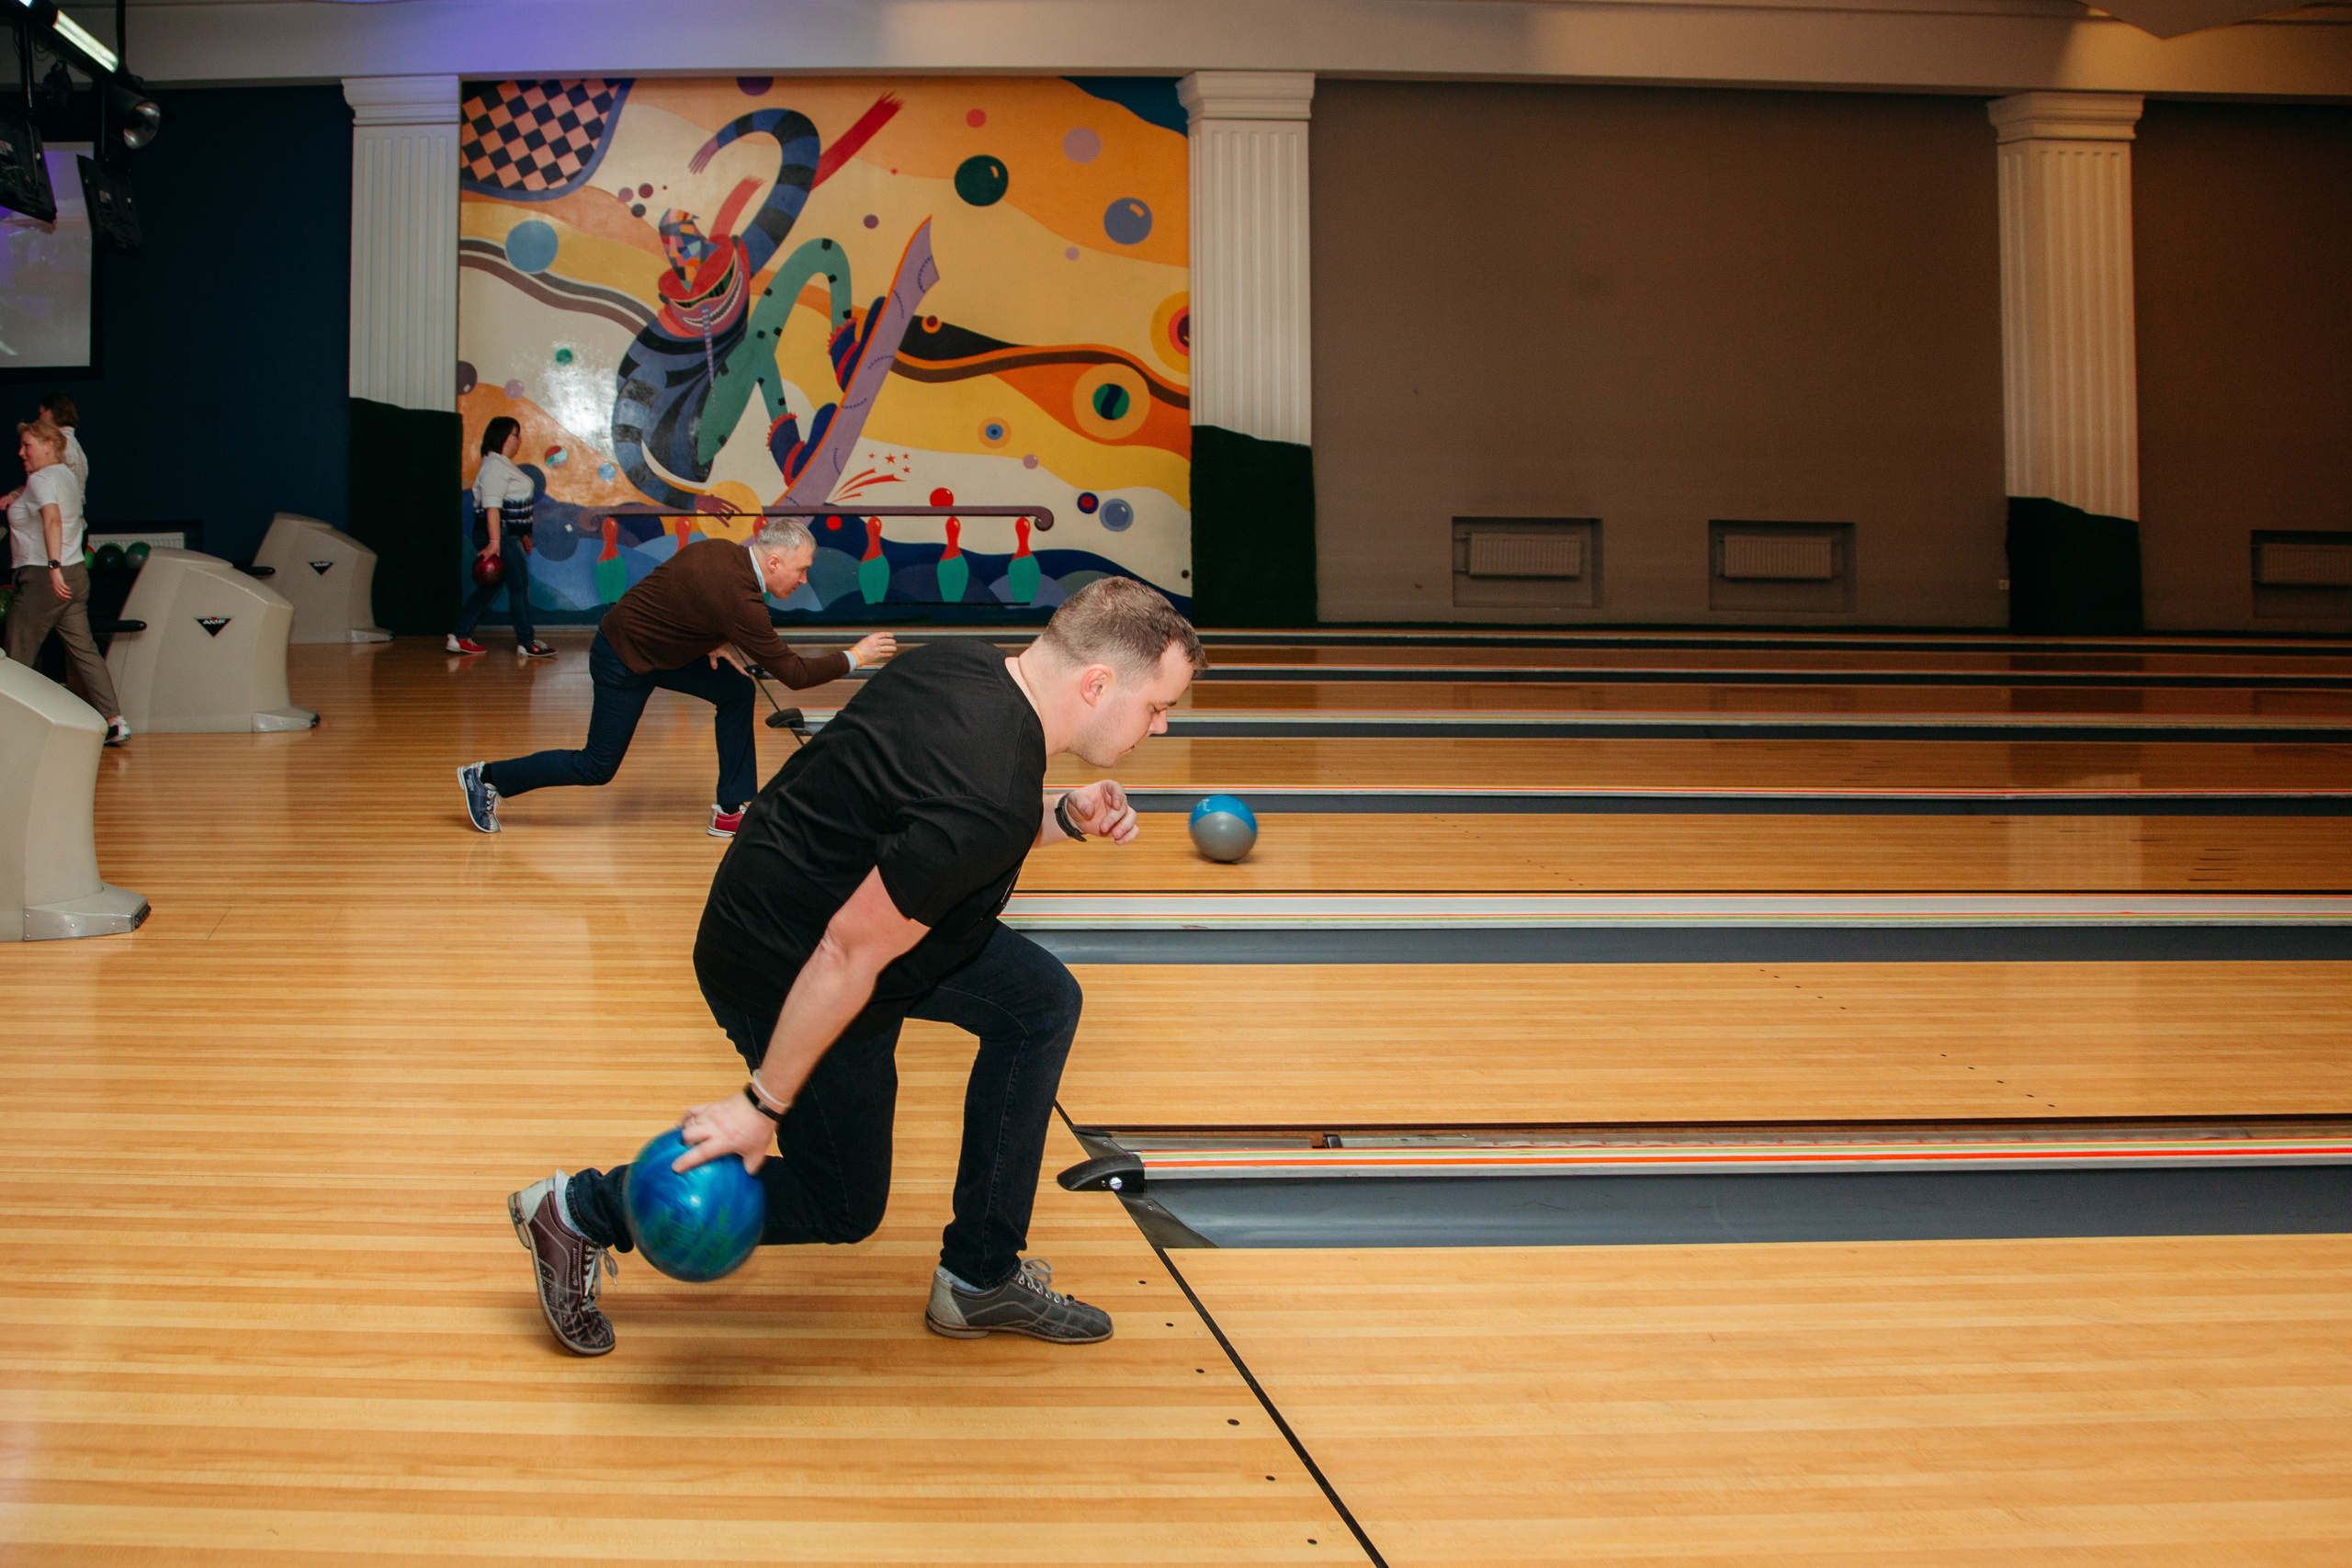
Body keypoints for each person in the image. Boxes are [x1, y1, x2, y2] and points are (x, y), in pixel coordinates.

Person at [506, 577, 1204, 1356]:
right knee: (842, 1203)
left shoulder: (966, 668)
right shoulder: (989, 782)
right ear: (1098, 683)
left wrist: (1064, 815)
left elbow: (931, 833)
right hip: (787, 957)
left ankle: (978, 1277)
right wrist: (761, 1104)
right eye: (1156, 705)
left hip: (818, 906)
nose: (1162, 725)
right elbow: (852, 944)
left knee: (1040, 1002)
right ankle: (580, 1212)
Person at [458, 513, 894, 838]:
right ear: (775, 562)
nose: (803, 579)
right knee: (596, 766)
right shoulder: (740, 597)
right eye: (801, 570)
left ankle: (730, 808)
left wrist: (709, 638)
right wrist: (857, 655)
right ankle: (486, 777)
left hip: (660, 650)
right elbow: (794, 674)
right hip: (622, 657)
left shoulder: (723, 551)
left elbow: (673, 593)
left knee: (737, 690)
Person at [4, 420, 128, 744]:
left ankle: (11, 730)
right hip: (75, 574)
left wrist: (53, 567)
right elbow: (38, 492)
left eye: (27, 445)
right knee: (84, 650)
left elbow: (52, 519)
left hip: (46, 577)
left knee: (17, 654)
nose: (21, 452)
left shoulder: (42, 480)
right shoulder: (65, 475)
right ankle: (115, 721)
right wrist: (14, 494)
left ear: (48, 446)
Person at [447, 417, 553, 659]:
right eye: (515, 433)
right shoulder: (495, 465)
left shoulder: (499, 464)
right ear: (501, 435)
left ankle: (460, 636)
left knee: (489, 589)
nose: (519, 439)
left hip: (505, 534)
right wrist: (496, 542)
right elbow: (492, 507)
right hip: (499, 535)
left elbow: (507, 505)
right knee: (519, 587)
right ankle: (527, 642)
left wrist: (521, 535)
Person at [38, 394, 86, 491]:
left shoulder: (59, 443)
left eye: (41, 413)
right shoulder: (74, 444)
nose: (39, 419)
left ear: (50, 413)